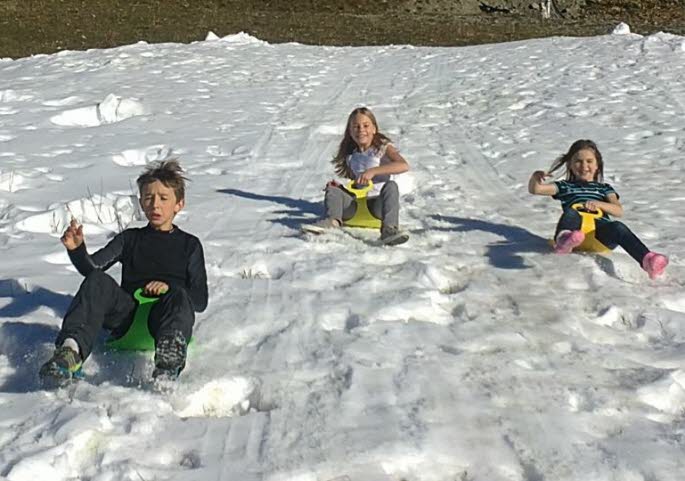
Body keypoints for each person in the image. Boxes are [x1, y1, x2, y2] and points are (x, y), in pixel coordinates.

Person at [39, 160, 208, 384]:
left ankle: (169, 360)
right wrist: (77, 250)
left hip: (167, 319)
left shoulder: (190, 245)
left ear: (179, 204)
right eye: (148, 198)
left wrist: (170, 288)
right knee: (97, 280)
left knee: (179, 296)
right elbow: (92, 269)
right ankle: (70, 351)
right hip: (126, 316)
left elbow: (200, 300)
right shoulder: (130, 239)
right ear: (141, 202)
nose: (155, 205)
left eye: (163, 198)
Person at [528, 139, 668, 279]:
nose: (584, 166)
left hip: (600, 235)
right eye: (578, 161)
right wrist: (535, 178)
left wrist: (599, 204)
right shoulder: (565, 186)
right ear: (570, 164)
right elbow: (536, 189)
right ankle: (564, 240)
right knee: (572, 212)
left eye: (589, 161)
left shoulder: (604, 189)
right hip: (575, 232)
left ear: (597, 165)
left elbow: (618, 211)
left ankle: (647, 260)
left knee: (618, 227)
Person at [302, 107, 410, 245]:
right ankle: (332, 222)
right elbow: (356, 184)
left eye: (366, 126)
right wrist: (340, 189)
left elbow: (403, 165)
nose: (361, 130)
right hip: (355, 207)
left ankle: (389, 229)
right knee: (333, 189)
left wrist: (374, 171)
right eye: (356, 127)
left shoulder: (382, 148)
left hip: (377, 206)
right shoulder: (351, 155)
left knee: (391, 186)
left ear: (374, 129)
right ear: (350, 131)